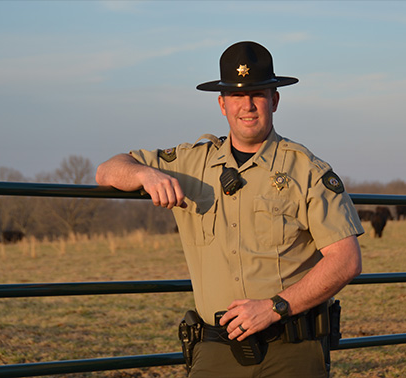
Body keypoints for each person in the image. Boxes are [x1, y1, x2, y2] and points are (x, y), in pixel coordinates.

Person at [96, 41, 364, 378]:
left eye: (258, 95)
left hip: (291, 348)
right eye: (237, 96)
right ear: (222, 104)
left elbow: (346, 259)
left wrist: (274, 308)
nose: (248, 106)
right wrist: (143, 174)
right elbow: (107, 170)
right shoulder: (191, 164)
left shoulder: (307, 172)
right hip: (216, 351)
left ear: (275, 100)